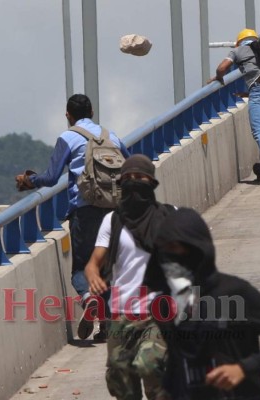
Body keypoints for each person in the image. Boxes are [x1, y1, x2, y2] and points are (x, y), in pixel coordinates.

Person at [143, 208, 260, 400]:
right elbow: (179, 360)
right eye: (163, 248)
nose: (169, 256)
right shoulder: (164, 303)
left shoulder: (235, 292)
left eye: (176, 247)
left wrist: (242, 369)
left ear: (197, 248)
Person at [14, 93, 130, 342]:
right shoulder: (113, 137)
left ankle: (89, 300)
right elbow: (132, 167)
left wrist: (28, 180)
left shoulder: (68, 137)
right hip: (114, 212)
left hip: (84, 211)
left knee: (81, 267)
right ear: (92, 112)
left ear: (68, 115)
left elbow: (51, 177)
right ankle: (106, 327)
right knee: (107, 269)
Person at [84, 154, 174, 400]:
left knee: (151, 366)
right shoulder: (112, 221)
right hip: (120, 315)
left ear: (152, 182)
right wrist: (93, 277)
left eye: (140, 178)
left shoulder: (169, 216)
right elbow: (93, 263)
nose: (134, 182)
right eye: (129, 178)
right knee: (121, 384)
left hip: (158, 314)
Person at [207, 28, 260, 185]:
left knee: (259, 131)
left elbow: (222, 68)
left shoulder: (238, 51)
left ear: (239, 41)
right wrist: (250, 93)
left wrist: (218, 78)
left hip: (259, 92)